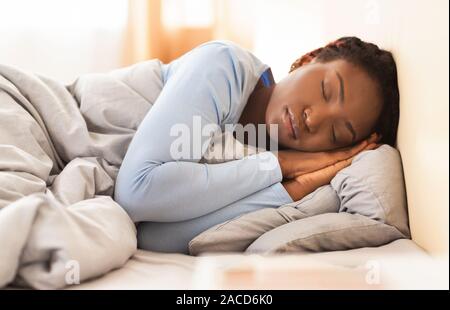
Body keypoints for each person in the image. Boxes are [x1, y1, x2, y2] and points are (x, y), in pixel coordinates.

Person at [114, 37, 400, 253]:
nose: (313, 119)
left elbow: (151, 238)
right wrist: (283, 164)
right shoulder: (224, 65)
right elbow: (136, 193)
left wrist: (293, 189)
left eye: (336, 133)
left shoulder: (266, 167)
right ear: (310, 58)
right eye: (326, 90)